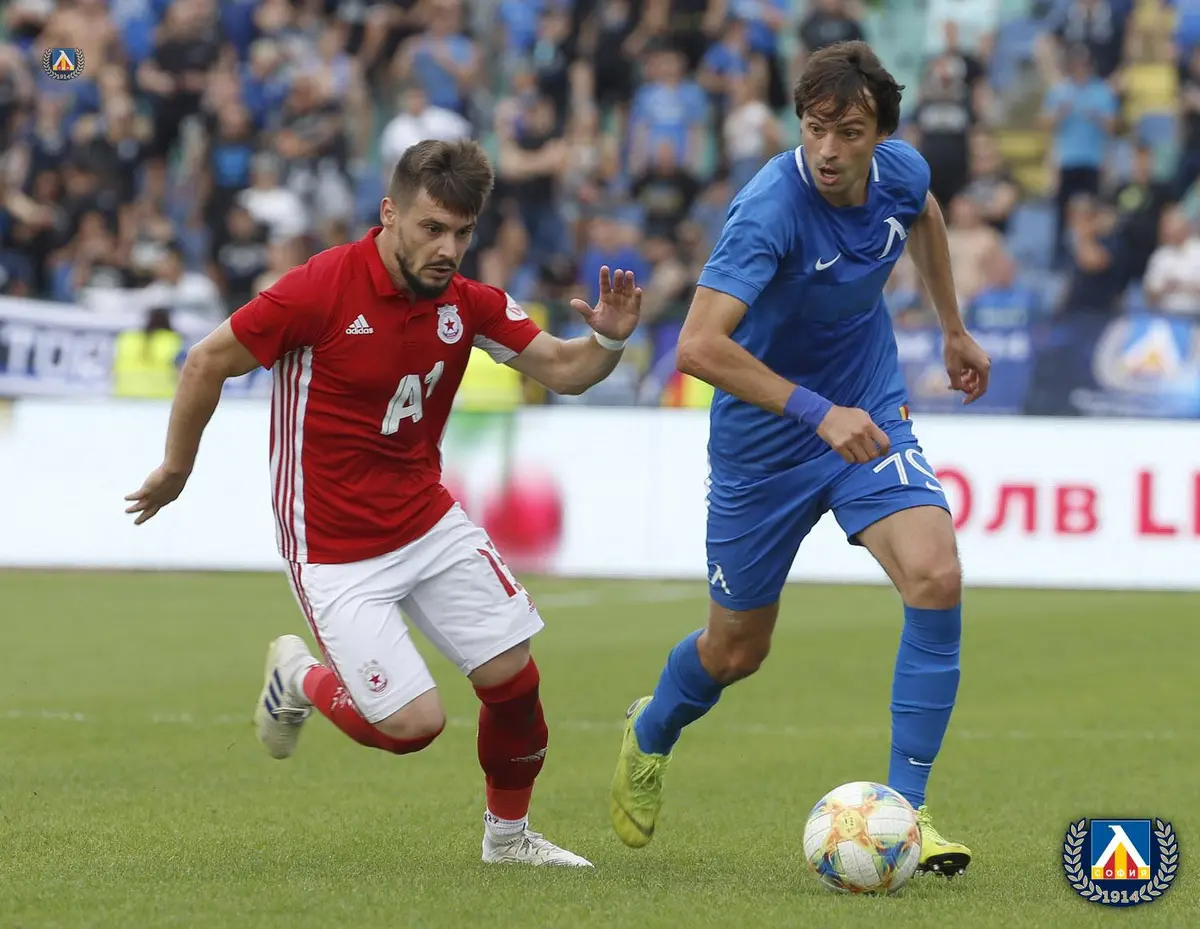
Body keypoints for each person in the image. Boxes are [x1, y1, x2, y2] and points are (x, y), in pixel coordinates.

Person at [125, 139, 643, 868]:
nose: (448, 249)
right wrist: (178, 467)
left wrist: (607, 342)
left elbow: (563, 367)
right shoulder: (321, 288)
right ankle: (299, 675)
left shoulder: (467, 302)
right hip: (333, 546)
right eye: (432, 228)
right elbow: (209, 358)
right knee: (412, 725)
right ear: (389, 213)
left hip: (427, 520)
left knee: (514, 681)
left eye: (462, 232)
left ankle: (507, 841)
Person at [608, 41, 990, 879]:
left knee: (935, 575)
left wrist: (953, 327)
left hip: (868, 410)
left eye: (848, 132)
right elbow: (697, 347)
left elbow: (924, 214)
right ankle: (651, 727)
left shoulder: (901, 173)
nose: (827, 149)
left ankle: (908, 813)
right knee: (736, 650)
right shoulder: (768, 210)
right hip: (766, 446)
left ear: (880, 136)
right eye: (816, 128)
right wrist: (818, 413)